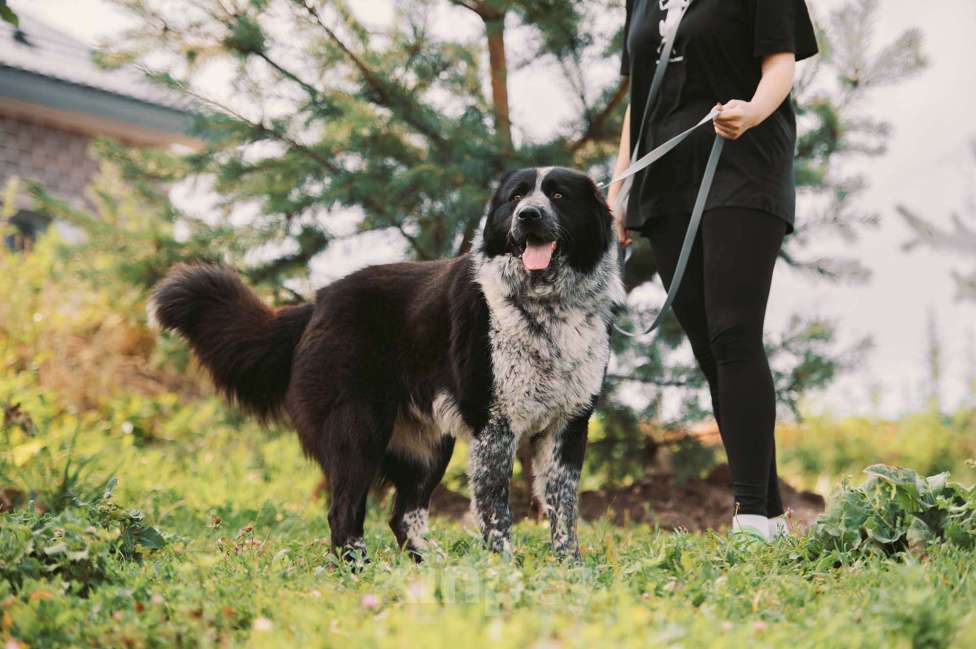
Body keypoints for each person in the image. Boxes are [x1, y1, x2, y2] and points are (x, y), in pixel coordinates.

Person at [608, 0, 818, 540]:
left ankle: (749, 515)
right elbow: (639, 101)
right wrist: (619, 182)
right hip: (665, 177)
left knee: (733, 333)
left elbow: (781, 65)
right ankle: (768, 514)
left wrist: (750, 111)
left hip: (743, 163)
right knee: (708, 347)